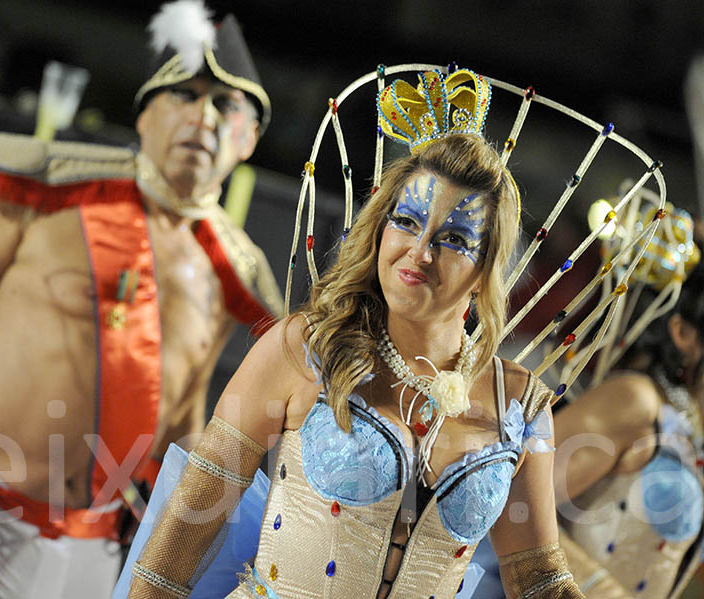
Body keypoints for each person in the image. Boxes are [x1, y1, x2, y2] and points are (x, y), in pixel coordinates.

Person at [126, 64, 586, 599]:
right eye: (407, 222)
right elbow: (189, 524)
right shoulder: (302, 349)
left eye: (455, 238)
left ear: (486, 268)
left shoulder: (522, 407)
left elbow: (540, 580)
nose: (420, 251)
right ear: (380, 228)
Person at [0, 1, 281, 597]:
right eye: (183, 95)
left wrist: (179, 540)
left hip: (87, 545)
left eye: (225, 104)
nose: (203, 117)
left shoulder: (235, 274)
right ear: (144, 116)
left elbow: (183, 419)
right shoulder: (42, 191)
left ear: (250, 137)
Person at [550, 237, 704, 598]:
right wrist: (602, 590)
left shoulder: (694, 434)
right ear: (685, 333)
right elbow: (519, 503)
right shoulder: (636, 401)